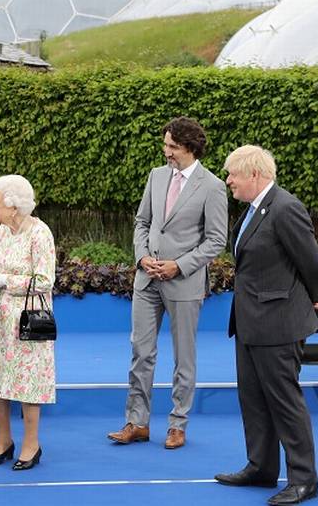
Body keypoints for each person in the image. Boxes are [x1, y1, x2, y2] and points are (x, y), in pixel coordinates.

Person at [108, 117, 227, 450]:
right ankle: (137, 422)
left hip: (184, 283)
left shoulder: (212, 186)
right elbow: (142, 222)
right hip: (147, 281)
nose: (166, 151)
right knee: (140, 352)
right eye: (166, 145)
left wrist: (179, 265)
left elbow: (216, 240)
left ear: (189, 148)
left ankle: (178, 424)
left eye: (171, 146)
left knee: (183, 359)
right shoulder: (156, 176)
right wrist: (142, 256)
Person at [215, 145, 318, 506]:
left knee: (284, 402)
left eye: (233, 174)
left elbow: (312, 264)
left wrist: (310, 298)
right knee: (254, 399)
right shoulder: (252, 211)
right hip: (249, 323)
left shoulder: (285, 208)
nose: (228, 180)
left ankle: (304, 479)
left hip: (278, 325)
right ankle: (261, 467)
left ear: (255, 175)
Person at [0, 175, 56, 471]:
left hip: (27, 320)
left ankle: (31, 444)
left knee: (26, 381)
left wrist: (4, 280)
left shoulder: (39, 233)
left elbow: (45, 280)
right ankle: (3, 441)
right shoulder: (2, 231)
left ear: (13, 205)